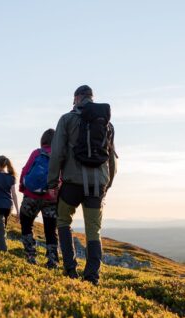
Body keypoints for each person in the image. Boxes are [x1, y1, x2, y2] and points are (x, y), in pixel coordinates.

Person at [47, 85, 117, 285]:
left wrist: (52, 183)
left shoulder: (67, 119)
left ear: (77, 98)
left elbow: (57, 152)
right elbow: (112, 158)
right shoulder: (107, 124)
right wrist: (107, 183)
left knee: (63, 221)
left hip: (72, 183)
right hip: (98, 185)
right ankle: (92, 277)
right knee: (93, 230)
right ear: (92, 98)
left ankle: (70, 270)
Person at [19, 129, 59, 268]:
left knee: (26, 224)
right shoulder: (59, 155)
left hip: (31, 196)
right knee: (51, 230)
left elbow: (25, 170)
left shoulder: (37, 153)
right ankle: (52, 261)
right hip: (51, 198)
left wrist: (22, 188)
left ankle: (30, 255)